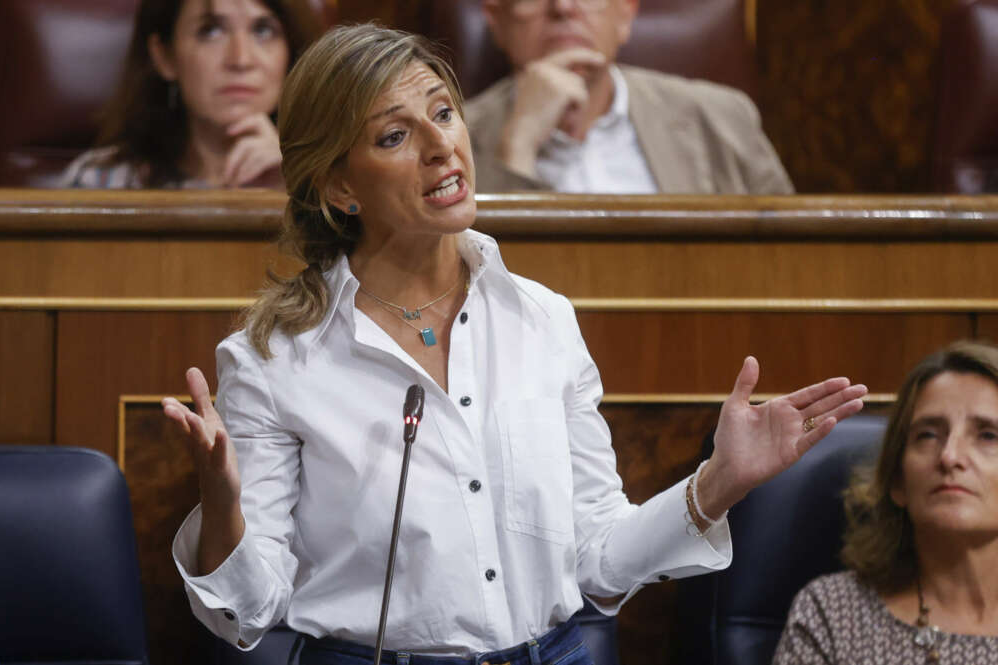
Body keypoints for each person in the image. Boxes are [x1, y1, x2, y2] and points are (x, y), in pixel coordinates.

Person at [162, 24, 866, 663]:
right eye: (394, 136)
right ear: (341, 187)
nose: (442, 145)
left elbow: (597, 559)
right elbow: (248, 613)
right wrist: (222, 504)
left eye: (443, 112)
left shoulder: (544, 319)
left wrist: (719, 484)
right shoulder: (277, 356)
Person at [773, 340, 998, 664]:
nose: (950, 457)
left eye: (988, 435)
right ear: (897, 480)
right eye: (928, 435)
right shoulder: (833, 613)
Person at [467, 0, 794, 194]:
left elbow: (795, 257)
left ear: (624, 14)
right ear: (497, 20)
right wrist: (519, 144)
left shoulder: (721, 117)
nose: (563, 7)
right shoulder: (448, 138)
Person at [61, 0, 319, 189]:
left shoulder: (329, 183)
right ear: (165, 57)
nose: (240, 59)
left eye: (263, 31)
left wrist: (292, 190)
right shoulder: (102, 180)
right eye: (211, 31)